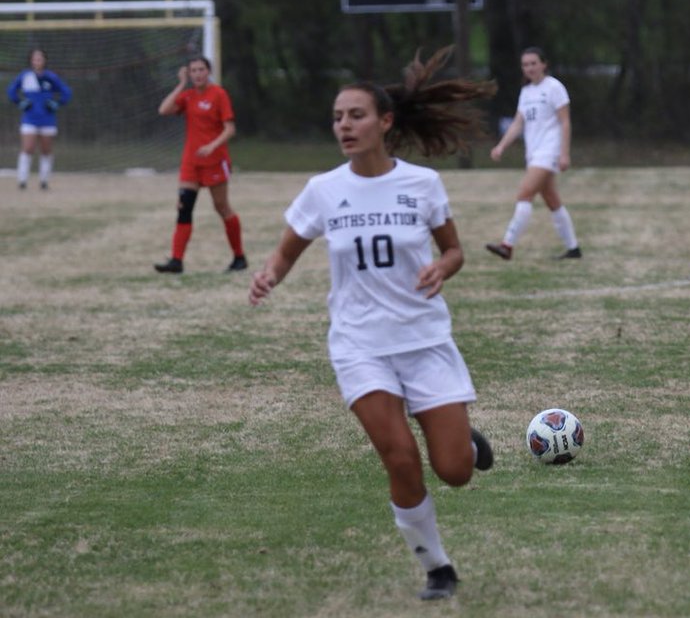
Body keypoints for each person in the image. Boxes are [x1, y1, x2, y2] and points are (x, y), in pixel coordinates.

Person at [248, 47, 496, 601]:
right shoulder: (323, 189)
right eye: (337, 117)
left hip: (424, 339)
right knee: (400, 459)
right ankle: (437, 568)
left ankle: (459, 438)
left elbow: (454, 251)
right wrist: (268, 275)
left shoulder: (423, 184)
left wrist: (443, 266)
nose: (344, 125)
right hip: (360, 345)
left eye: (355, 115)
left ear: (385, 122)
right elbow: (287, 250)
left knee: (453, 470)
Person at [485, 47, 582, 260]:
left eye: (533, 63)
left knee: (525, 193)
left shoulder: (554, 87)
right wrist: (501, 146)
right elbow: (518, 123)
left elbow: (565, 122)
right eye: (525, 64)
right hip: (534, 153)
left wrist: (564, 153)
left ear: (543, 64)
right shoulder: (527, 91)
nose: (529, 68)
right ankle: (573, 248)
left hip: (549, 151)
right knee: (551, 199)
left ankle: (507, 245)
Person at [153, 56, 246, 274]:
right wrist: (180, 84)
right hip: (191, 163)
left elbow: (229, 128)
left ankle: (239, 257)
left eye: (201, 69)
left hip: (215, 161)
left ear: (209, 71)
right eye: (193, 70)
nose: (197, 74)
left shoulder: (219, 94)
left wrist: (213, 146)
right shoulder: (188, 96)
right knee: (184, 207)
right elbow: (163, 110)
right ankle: (176, 261)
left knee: (221, 207)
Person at [7, 48, 71, 190]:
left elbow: (66, 92)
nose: (37, 61)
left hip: (47, 119)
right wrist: (20, 102)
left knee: (46, 150)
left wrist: (57, 103)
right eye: (35, 58)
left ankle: (44, 181)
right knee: (28, 148)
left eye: (40, 58)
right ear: (31, 60)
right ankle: (22, 181)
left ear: (44, 60)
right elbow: (11, 91)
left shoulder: (51, 77)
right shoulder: (25, 76)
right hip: (30, 118)